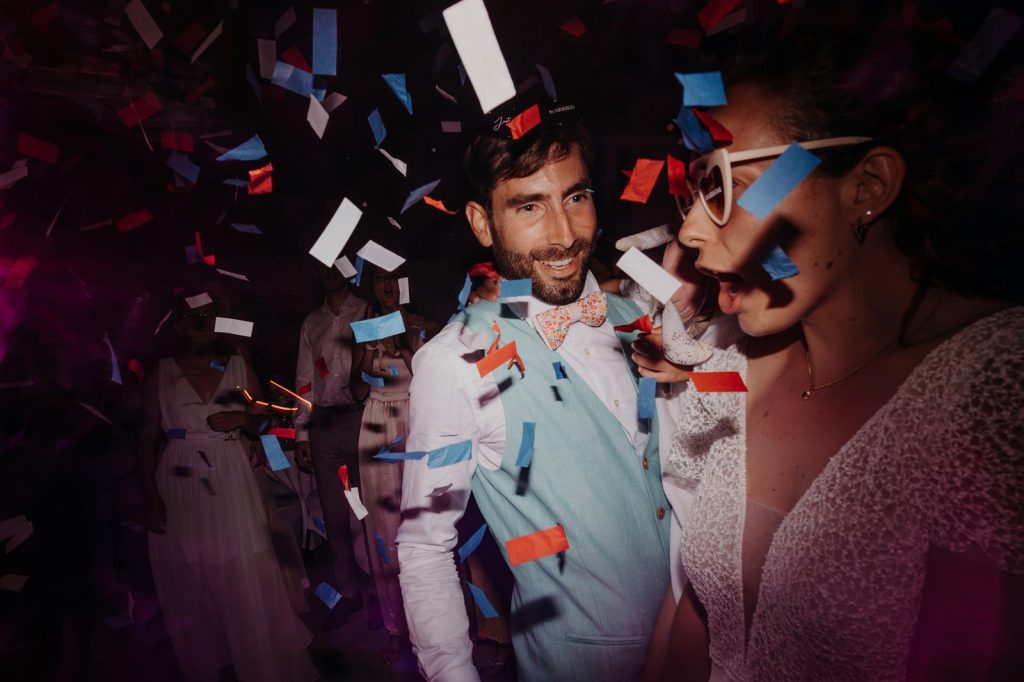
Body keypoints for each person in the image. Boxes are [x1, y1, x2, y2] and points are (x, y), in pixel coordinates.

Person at [641, 24, 1024, 682]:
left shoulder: (992, 396)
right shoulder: (733, 372)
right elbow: (698, 615)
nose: (691, 229)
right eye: (693, 190)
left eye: (725, 186)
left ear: (868, 187)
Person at [397, 105, 673, 681]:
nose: (565, 234)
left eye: (575, 197)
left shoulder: (638, 318)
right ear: (481, 222)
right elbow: (425, 547)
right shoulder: (455, 362)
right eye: (529, 206)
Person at [137, 295, 316, 682]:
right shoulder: (163, 373)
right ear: (179, 325)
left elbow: (262, 422)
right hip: (182, 479)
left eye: (209, 316)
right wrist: (149, 493)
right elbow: (146, 435)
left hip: (231, 474)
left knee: (245, 566)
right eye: (194, 317)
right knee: (195, 573)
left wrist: (242, 418)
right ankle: (215, 662)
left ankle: (260, 658)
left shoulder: (233, 365)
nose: (203, 323)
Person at [349, 263, 435, 663]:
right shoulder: (364, 328)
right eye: (380, 278)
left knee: (423, 523)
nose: (387, 285)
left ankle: (435, 622)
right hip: (378, 425)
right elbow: (354, 387)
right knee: (385, 527)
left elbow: (430, 380)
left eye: (393, 277)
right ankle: (396, 623)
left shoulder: (420, 324)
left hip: (416, 423)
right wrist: (367, 352)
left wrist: (405, 339)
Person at [294, 264, 368, 626]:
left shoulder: (366, 311)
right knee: (334, 512)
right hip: (323, 422)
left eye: (337, 262)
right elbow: (304, 380)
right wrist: (302, 433)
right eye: (321, 263)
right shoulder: (311, 322)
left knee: (368, 510)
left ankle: (380, 591)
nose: (329, 270)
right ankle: (349, 590)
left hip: (360, 419)